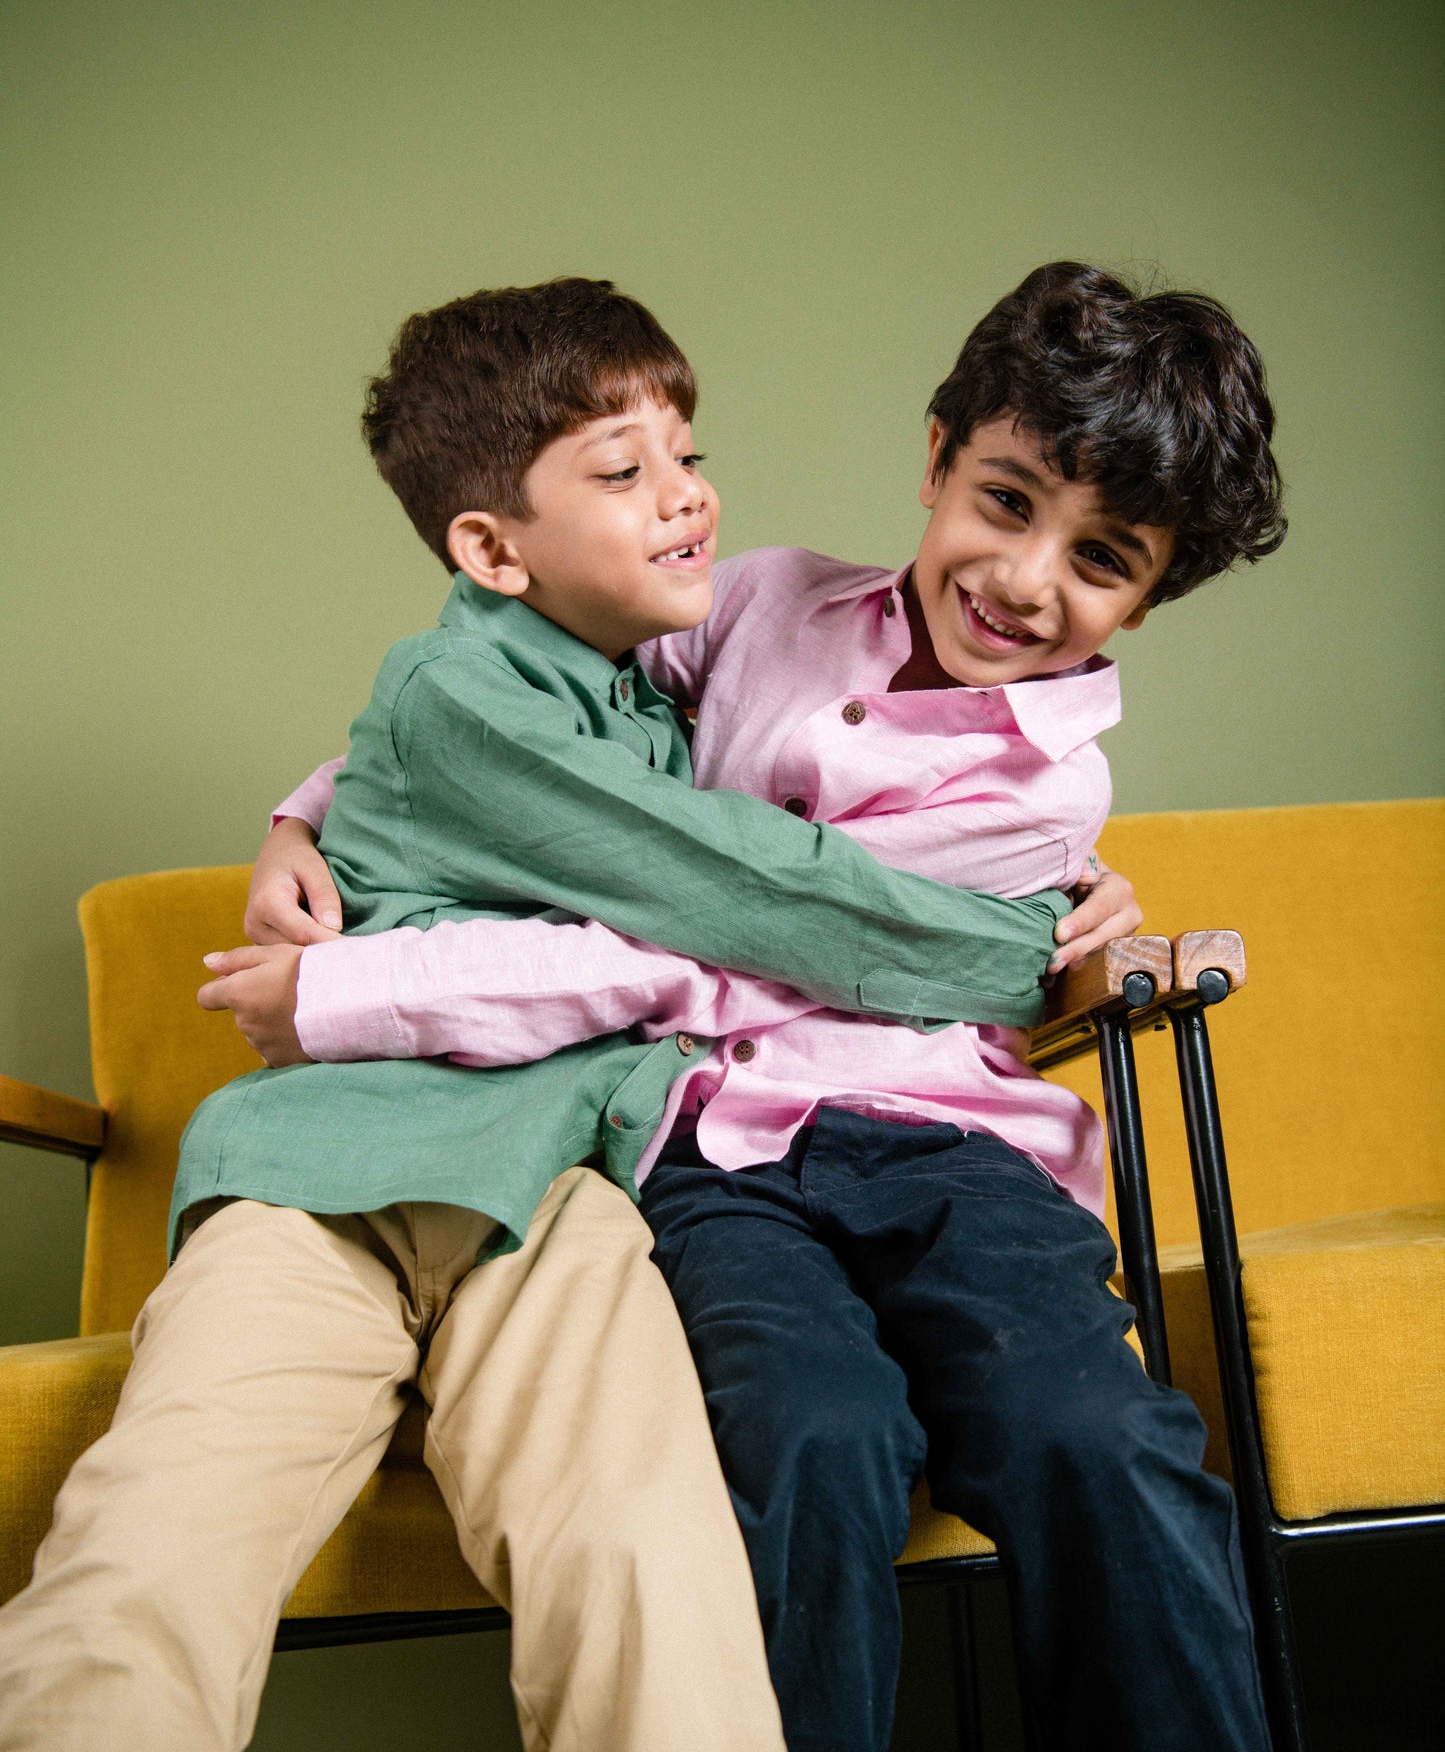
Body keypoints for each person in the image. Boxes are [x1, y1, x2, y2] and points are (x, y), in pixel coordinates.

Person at [0, 277, 1127, 1752]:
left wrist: (307, 806)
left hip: (570, 1189)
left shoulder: (668, 688)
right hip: (327, 1169)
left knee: (657, 1595)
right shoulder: (459, 687)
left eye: (689, 457)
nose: (687, 503)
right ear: (489, 546)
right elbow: (746, 885)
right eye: (622, 472)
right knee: (149, 1567)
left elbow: (693, 844)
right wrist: (1022, 945)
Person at [227, 264, 1288, 1750]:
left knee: (1098, 1436)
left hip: (950, 1146)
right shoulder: (767, 600)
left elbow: (736, 927)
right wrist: (309, 813)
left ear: (1150, 592)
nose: (1026, 579)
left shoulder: (1052, 789)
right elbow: (543, 735)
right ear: (934, 458)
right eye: (1003, 500)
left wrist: (365, 988)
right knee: (808, 1433)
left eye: (1101, 558)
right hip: (711, 1145)